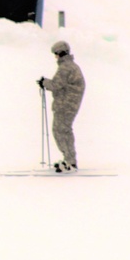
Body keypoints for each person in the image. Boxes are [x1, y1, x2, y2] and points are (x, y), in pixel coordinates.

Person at [37, 40, 85, 173]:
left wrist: (44, 83)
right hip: (69, 103)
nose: (55, 57)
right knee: (63, 130)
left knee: (60, 130)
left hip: (66, 104)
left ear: (60, 53)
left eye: (56, 54)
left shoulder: (65, 67)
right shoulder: (71, 66)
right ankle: (69, 160)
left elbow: (56, 85)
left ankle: (70, 162)